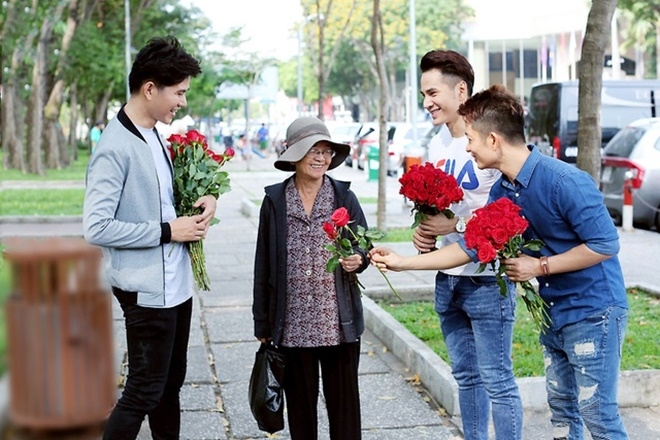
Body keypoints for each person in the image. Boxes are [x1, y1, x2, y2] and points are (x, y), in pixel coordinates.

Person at [371, 84, 630, 440]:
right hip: (555, 311)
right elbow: (473, 246)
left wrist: (539, 267)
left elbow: (605, 245)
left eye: (472, 139)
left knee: (596, 415)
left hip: (593, 312)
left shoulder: (565, 181)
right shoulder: (504, 189)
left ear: (493, 140)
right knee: (562, 411)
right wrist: (403, 262)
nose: (467, 146)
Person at [83, 36, 215, 440]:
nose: (182, 102)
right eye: (179, 93)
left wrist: (204, 198)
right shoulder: (114, 146)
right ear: (150, 88)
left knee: (169, 388)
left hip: (175, 287)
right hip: (145, 292)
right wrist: (166, 231)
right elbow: (96, 226)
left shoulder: (153, 133)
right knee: (143, 391)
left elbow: (160, 200)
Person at [413, 49, 522, 440]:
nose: (427, 103)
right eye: (423, 94)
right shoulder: (438, 147)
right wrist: (424, 230)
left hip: (488, 281)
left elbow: (508, 219)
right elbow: (437, 213)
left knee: (498, 380)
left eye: (432, 93)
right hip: (449, 278)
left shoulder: (492, 141)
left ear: (461, 91)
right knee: (466, 379)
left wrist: (454, 223)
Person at [252, 116, 368, 440]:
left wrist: (358, 259)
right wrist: (262, 323)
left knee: (345, 414)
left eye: (326, 151)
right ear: (294, 156)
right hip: (293, 326)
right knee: (301, 414)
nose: (320, 158)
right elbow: (262, 264)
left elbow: (363, 243)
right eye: (312, 151)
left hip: (337, 326)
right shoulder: (274, 201)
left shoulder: (344, 197)